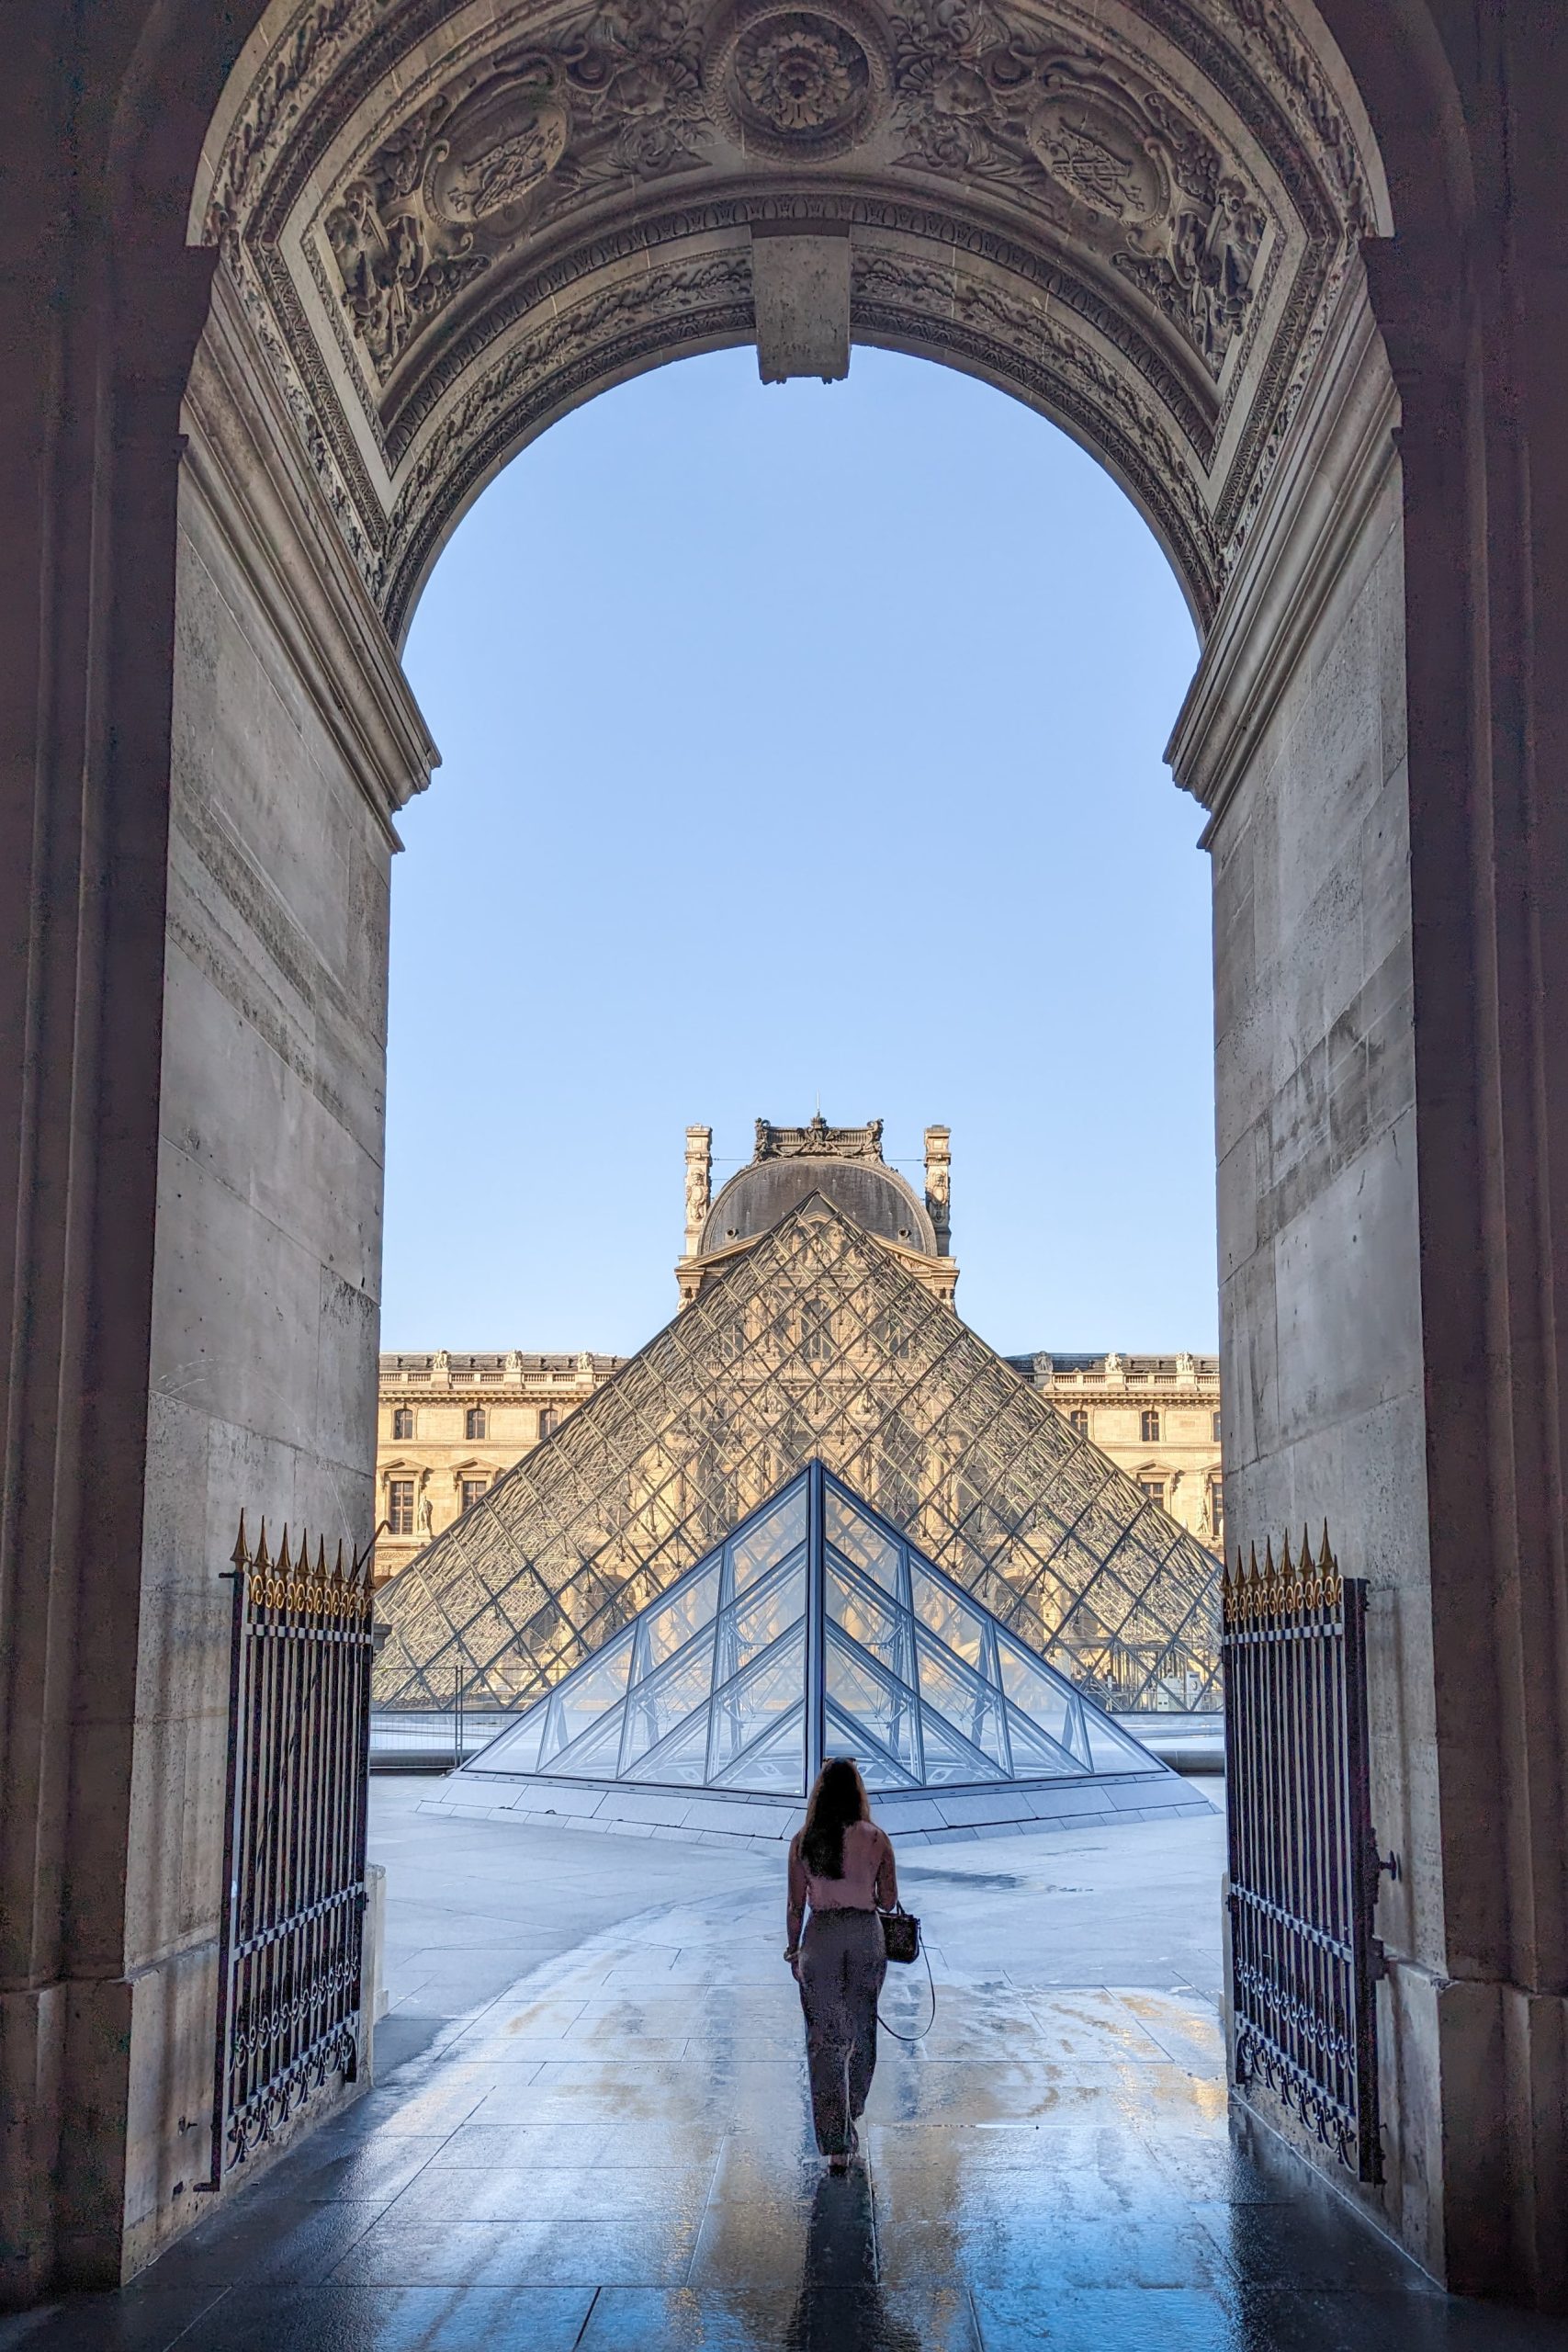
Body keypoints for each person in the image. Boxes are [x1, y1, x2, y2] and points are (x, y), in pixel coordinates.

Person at [784, 1756, 897, 2173]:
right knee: (861, 2030)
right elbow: (887, 1900)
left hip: (822, 1938)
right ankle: (852, 2110)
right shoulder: (875, 1838)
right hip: (866, 1937)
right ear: (857, 1794)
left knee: (825, 2041)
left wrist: (793, 1950)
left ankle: (835, 2143)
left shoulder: (804, 1840)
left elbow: (796, 1904)